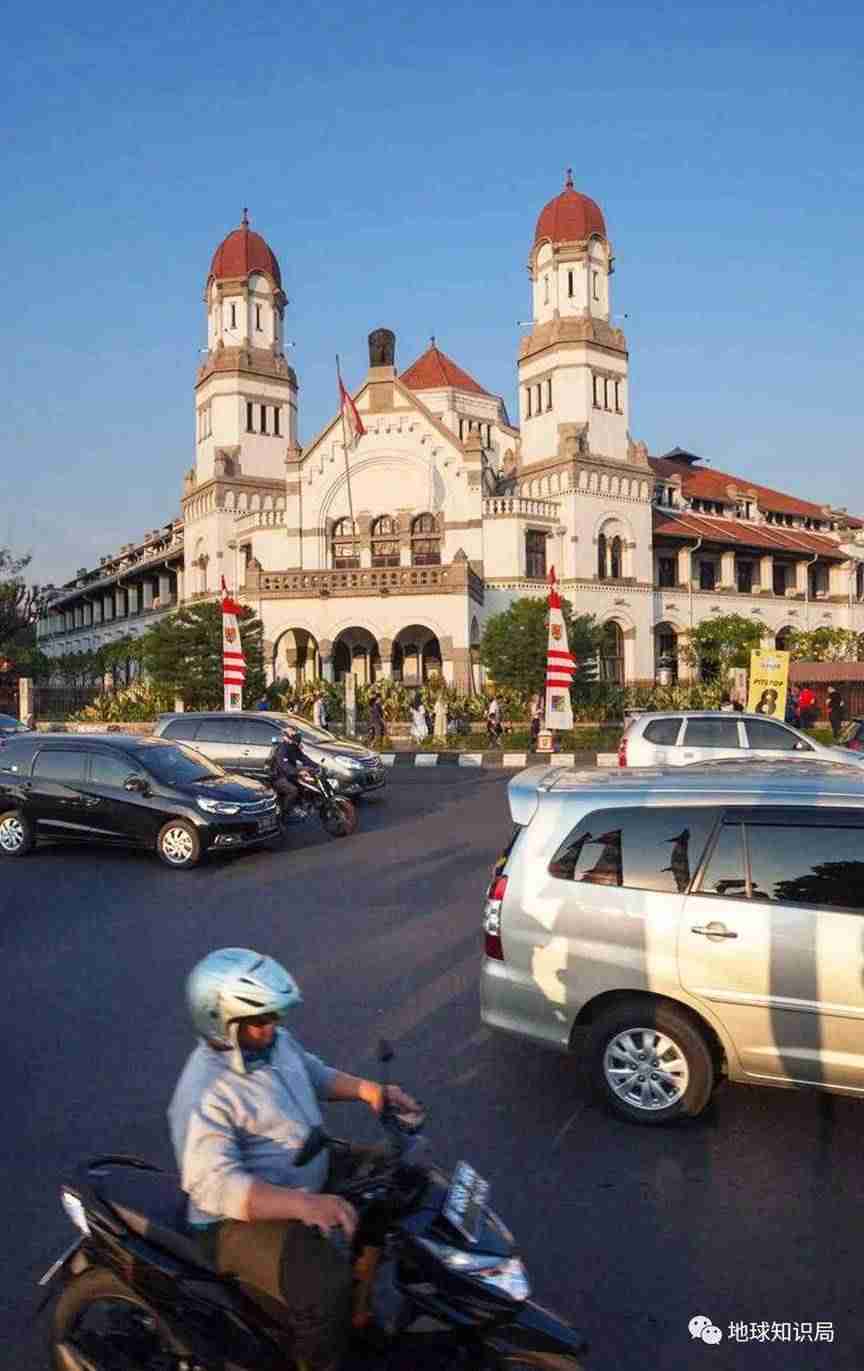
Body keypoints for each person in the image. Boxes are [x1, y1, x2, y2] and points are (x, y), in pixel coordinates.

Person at [169, 948, 420, 1371]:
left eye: (273, 1016)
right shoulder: (204, 1092)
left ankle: (358, 1316)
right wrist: (304, 1204)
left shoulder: (272, 1044)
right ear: (222, 1023)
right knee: (326, 1290)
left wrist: (372, 1091)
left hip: (303, 1167)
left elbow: (312, 1072)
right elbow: (214, 1187)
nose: (273, 1027)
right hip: (235, 1220)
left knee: (398, 1179)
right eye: (259, 1021)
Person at [268, 725, 308, 814]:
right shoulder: (282, 749)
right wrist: (299, 772)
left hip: (289, 776)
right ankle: (285, 812)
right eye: (293, 735)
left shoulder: (293, 747)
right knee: (293, 790)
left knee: (305, 786)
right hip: (278, 777)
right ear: (286, 737)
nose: (296, 738)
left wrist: (317, 766)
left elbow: (304, 758)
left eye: (296, 735)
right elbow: (284, 766)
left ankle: (301, 806)